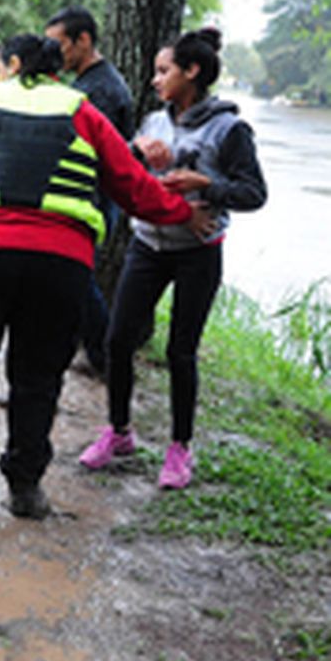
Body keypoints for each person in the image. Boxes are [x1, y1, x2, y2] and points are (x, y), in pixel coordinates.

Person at [0, 34, 210, 519]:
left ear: (13, 65)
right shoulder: (83, 110)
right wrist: (183, 213)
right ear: (57, 71)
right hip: (58, 266)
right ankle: (26, 489)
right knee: (37, 378)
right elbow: (134, 188)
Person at [80, 28, 267, 489]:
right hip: (148, 246)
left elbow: (254, 193)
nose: (155, 80)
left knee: (181, 352)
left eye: (164, 71)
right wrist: (136, 151)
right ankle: (119, 432)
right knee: (117, 340)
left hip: (198, 254)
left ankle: (179, 449)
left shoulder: (230, 129)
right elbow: (118, 170)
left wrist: (205, 186)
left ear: (192, 72)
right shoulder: (151, 122)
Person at [45, 6, 136, 374]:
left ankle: (104, 356)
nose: (55, 55)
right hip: (82, 201)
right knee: (72, 286)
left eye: (59, 45)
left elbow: (94, 157)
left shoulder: (101, 90)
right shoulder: (86, 84)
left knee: (76, 284)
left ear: (83, 41)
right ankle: (92, 357)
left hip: (90, 203)